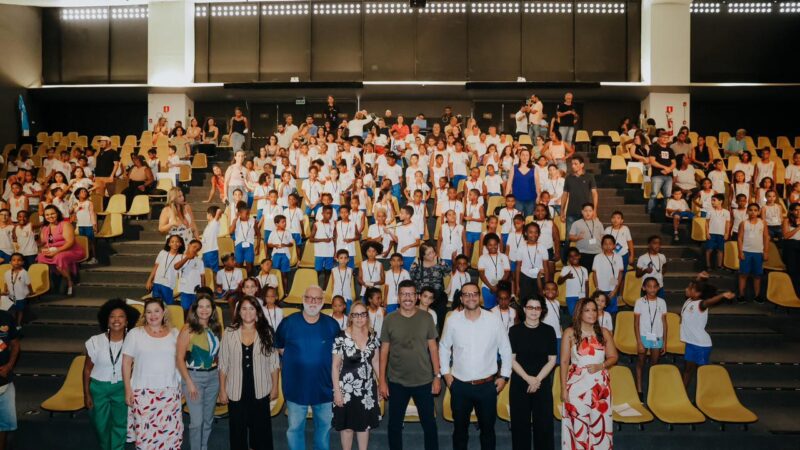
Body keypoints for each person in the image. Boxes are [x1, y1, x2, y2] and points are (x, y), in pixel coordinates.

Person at [439, 281, 511, 450]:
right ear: (462, 299)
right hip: (459, 386)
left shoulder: (493, 320)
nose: (471, 297)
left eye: (474, 294)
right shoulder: (453, 320)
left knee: (487, 431)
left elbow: (506, 349)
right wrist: (446, 374)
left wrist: (504, 376)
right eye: (466, 294)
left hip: (487, 386)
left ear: (479, 297)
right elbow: (443, 347)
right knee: (460, 432)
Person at [275, 286, 340, 450]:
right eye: (310, 298)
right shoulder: (288, 323)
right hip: (296, 388)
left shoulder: (332, 325)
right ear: (303, 299)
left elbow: (338, 356)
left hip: (324, 388)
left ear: (323, 302)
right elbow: (280, 348)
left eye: (317, 299)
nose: (313, 302)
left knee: (324, 428)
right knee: (295, 429)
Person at [379, 279, 441, 450]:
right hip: (397, 381)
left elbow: (434, 348)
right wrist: (382, 381)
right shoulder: (389, 319)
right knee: (394, 425)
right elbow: (383, 351)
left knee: (429, 424)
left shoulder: (427, 318)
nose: (407, 298)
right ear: (398, 297)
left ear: (417, 297)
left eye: (411, 294)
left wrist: (437, 377)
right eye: (403, 294)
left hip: (423, 380)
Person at [218, 296, 280, 450]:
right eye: (244, 308)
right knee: (237, 431)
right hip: (236, 390)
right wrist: (222, 390)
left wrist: (274, 387)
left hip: (260, 389)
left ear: (258, 312)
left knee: (261, 431)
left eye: (252, 308)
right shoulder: (229, 332)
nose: (248, 312)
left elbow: (274, 363)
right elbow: (223, 364)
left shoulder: (267, 332)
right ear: (239, 312)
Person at [122, 298, 183, 450]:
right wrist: (127, 390)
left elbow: (180, 362)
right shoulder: (135, 334)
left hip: (169, 393)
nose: (153, 315)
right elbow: (126, 363)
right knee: (146, 440)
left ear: (164, 313)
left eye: (157, 311)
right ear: (145, 315)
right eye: (149, 311)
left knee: (170, 438)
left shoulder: (175, 333)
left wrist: (181, 386)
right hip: (143, 394)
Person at [560, 297, 617, 450]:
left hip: (600, 386)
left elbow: (614, 357)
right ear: (579, 312)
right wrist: (563, 388)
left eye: (594, 310)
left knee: (600, 427)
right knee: (578, 427)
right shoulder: (570, 333)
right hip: (576, 386)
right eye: (587, 310)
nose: (592, 313)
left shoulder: (604, 332)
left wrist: (601, 365)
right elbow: (564, 362)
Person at [82, 299, 139, 450]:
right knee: (101, 426)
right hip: (99, 389)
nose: (116, 320)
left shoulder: (133, 342)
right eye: (112, 316)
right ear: (107, 321)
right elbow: (87, 369)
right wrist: (86, 394)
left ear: (127, 322)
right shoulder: (95, 342)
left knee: (120, 425)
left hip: (121, 388)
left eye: (121, 316)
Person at [509, 297, 557, 450]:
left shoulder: (549, 331)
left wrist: (537, 380)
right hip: (520, 383)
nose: (534, 311)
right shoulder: (514, 331)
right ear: (524, 309)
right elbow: (511, 359)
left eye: (537, 308)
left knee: (544, 427)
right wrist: (528, 379)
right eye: (530, 307)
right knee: (519, 427)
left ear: (542, 311)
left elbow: (552, 360)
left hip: (541, 383)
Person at [332, 302, 381, 450]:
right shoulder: (341, 336)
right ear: (351, 317)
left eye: (363, 314)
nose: (360, 318)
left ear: (367, 316)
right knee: (347, 428)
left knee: (364, 426)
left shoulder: (373, 335)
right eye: (356, 314)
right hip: (346, 390)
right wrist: (337, 392)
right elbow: (334, 366)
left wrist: (381, 385)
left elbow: (376, 361)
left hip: (367, 389)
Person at [176, 294, 222, 450]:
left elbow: (217, 356)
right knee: (197, 422)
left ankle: (203, 447)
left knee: (208, 419)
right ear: (195, 309)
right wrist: (188, 382)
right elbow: (179, 358)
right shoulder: (188, 329)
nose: (204, 310)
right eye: (200, 306)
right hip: (193, 377)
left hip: (213, 377)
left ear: (212, 309)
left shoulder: (216, 328)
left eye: (208, 306)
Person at [680, 275, 736, 386]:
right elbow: (698, 286)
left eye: (690, 289)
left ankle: (701, 398)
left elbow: (709, 301)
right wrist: (699, 277)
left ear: (697, 294)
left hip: (701, 345)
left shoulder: (701, 304)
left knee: (702, 373)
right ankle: (682, 395)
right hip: (691, 343)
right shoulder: (689, 300)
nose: (686, 289)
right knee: (687, 371)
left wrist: (722, 295)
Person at [37, 205, 86, 296]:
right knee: (40, 257)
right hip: (53, 251)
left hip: (71, 250)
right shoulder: (44, 228)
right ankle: (48, 284)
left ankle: (69, 281)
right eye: (47, 215)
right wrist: (42, 249)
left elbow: (70, 242)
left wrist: (57, 251)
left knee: (59, 257)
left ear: (57, 214)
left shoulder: (65, 224)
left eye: (52, 213)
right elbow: (43, 243)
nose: (50, 216)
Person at [633, 278, 668, 394]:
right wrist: (639, 342)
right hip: (643, 336)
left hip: (657, 337)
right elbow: (636, 323)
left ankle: (652, 387)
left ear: (658, 288)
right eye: (649, 286)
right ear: (644, 288)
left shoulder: (662, 302)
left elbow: (664, 323)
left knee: (654, 363)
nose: (652, 289)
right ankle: (639, 388)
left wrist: (664, 342)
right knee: (641, 361)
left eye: (654, 286)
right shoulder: (639, 302)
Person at [560, 156, 598, 246]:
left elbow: (594, 194)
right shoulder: (568, 178)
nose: (573, 166)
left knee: (585, 237)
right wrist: (562, 211)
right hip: (571, 212)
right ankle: (566, 259)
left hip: (585, 214)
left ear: (582, 165)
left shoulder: (589, 177)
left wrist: (595, 211)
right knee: (568, 237)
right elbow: (564, 195)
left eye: (575, 164)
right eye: (572, 164)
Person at [738, 203, 769, 304]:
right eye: (750, 210)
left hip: (758, 253)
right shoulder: (743, 223)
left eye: (755, 210)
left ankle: (757, 296)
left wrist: (765, 251)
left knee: (757, 275)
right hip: (746, 252)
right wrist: (740, 251)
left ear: (759, 212)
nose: (753, 212)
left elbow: (766, 237)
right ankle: (741, 295)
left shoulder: (763, 223)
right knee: (743, 274)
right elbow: (739, 238)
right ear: (747, 211)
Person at [505, 148, 539, 217]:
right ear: (519, 156)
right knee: (517, 220)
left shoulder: (534, 168)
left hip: (531, 199)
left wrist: (538, 196)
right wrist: (506, 195)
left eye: (527, 155)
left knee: (529, 221)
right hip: (517, 198)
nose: (525, 157)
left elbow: (537, 184)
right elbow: (509, 183)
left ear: (529, 157)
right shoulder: (514, 168)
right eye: (523, 155)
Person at [648, 131, 676, 214]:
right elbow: (652, 161)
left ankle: (666, 213)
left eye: (667, 138)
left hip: (668, 175)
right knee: (654, 194)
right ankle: (650, 212)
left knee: (667, 196)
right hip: (657, 175)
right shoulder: (654, 148)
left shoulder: (670, 150)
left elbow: (674, 162)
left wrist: (669, 169)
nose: (665, 139)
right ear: (659, 138)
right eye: (663, 137)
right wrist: (665, 167)